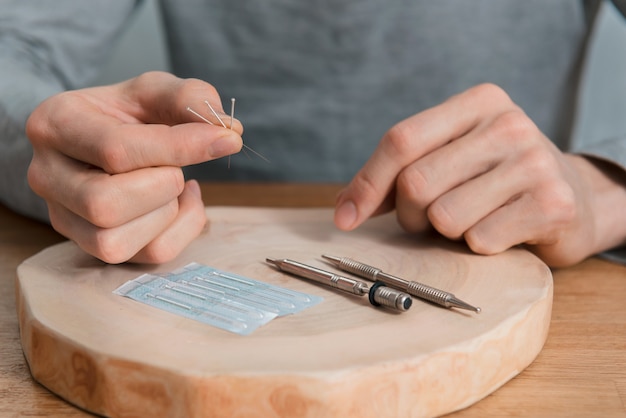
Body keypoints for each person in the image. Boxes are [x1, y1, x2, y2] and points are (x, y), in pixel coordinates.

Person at [1, 1, 625, 266]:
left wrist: (602, 187)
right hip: (196, 252)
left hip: (509, 258)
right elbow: (13, 49)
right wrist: (58, 146)